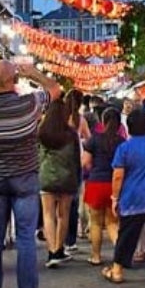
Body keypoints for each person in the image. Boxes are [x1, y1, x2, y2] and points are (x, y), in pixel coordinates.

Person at [0, 60, 62, 288]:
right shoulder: (28, 103)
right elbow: (55, 90)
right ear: (15, 81)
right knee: (25, 240)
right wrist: (34, 73)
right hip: (25, 178)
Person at [103, 109, 145, 288]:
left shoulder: (124, 148)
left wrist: (115, 198)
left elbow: (117, 176)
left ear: (129, 127)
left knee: (126, 236)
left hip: (132, 200)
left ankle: (117, 271)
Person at [38, 96, 81, 268]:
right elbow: (76, 158)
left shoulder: (42, 133)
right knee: (63, 215)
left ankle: (51, 252)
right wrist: (77, 178)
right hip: (67, 177)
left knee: (48, 214)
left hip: (47, 176)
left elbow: (38, 156)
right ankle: (58, 249)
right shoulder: (71, 134)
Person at [82, 107, 124, 266]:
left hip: (96, 183)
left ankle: (96, 256)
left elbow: (85, 162)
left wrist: (91, 168)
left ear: (102, 122)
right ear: (120, 124)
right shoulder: (122, 142)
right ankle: (121, 255)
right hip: (115, 184)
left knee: (96, 223)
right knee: (112, 223)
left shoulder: (93, 140)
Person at [63, 89, 90, 254]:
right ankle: (70, 240)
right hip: (76, 160)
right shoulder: (80, 120)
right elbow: (89, 139)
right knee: (73, 203)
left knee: (58, 203)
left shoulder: (58, 118)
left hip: (59, 161)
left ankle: (57, 240)